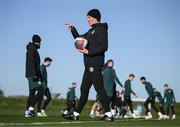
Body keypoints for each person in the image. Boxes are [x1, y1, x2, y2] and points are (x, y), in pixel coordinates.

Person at [65, 9, 113, 121]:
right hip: (88, 65)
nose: (87, 20)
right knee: (84, 89)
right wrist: (73, 30)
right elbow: (80, 40)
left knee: (99, 89)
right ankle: (76, 115)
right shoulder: (91, 31)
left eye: (89, 17)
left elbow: (104, 46)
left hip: (95, 63)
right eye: (87, 17)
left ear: (96, 17)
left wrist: (89, 52)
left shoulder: (101, 29)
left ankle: (109, 115)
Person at [25, 34, 44, 117]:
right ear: (38, 42)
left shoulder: (32, 48)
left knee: (32, 94)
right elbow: (31, 62)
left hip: (32, 74)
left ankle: (27, 111)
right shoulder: (32, 49)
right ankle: (30, 109)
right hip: (32, 75)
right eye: (40, 42)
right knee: (41, 90)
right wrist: (34, 74)